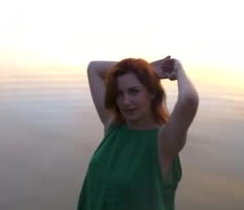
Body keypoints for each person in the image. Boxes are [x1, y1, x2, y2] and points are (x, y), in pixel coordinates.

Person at [77, 56, 199, 210]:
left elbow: (188, 100)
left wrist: (178, 69)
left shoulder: (163, 143)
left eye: (134, 91)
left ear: (152, 93)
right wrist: (148, 69)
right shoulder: (113, 126)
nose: (126, 101)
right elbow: (93, 68)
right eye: (120, 93)